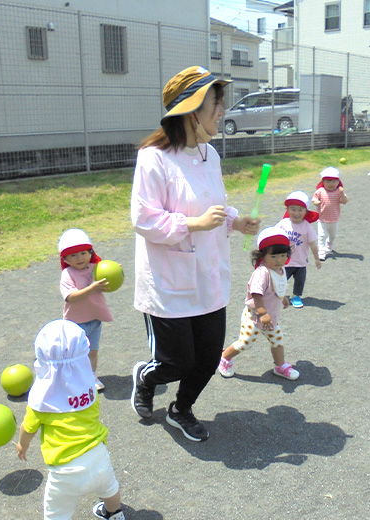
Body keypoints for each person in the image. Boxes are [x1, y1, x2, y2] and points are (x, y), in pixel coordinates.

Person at [129, 66, 260, 442]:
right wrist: (193, 225)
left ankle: (180, 409)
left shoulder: (210, 154)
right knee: (175, 362)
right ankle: (146, 377)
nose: (222, 111)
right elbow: (144, 219)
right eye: (216, 103)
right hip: (169, 282)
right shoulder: (153, 158)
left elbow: (212, 206)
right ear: (191, 109)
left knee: (206, 359)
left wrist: (235, 221)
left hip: (208, 274)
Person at [16, 319, 125, 520]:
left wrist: (22, 446)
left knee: (55, 513)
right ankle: (114, 513)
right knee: (110, 490)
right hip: (99, 456)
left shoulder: (43, 401)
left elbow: (28, 428)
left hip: (65, 471)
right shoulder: (89, 389)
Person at [218, 227, 299, 380]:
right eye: (274, 256)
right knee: (245, 343)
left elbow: (276, 288)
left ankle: (280, 365)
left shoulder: (280, 269)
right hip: (255, 317)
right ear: (262, 256)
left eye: (283, 255)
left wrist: (282, 297)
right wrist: (263, 313)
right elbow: (257, 294)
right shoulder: (262, 273)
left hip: (271, 318)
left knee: (277, 341)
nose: (279, 260)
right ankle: (224, 358)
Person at [58, 228, 113, 391]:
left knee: (92, 352)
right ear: (66, 259)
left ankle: (91, 376)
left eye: (83, 253)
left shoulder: (96, 268)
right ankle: (71, 378)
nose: (79, 258)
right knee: (74, 354)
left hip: (94, 319)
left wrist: (114, 272)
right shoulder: (68, 274)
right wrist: (92, 287)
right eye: (73, 255)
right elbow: (71, 297)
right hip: (75, 323)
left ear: (90, 252)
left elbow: (109, 277)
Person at [276, 191, 321, 308]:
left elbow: (313, 244)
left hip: (301, 261)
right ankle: (280, 296)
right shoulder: (283, 223)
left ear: (306, 211)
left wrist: (317, 258)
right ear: (287, 209)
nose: (296, 213)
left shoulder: (307, 226)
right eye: (293, 209)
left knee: (299, 281)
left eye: (300, 209)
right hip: (284, 262)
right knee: (281, 280)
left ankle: (296, 296)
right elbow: (273, 236)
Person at [312, 166, 349, 261]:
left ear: (338, 182)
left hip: (334, 219)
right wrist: (317, 202)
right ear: (323, 182)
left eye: (334, 181)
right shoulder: (320, 191)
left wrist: (342, 193)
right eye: (328, 181)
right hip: (322, 219)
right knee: (321, 236)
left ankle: (329, 244)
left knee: (332, 236)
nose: (331, 184)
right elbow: (314, 198)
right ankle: (321, 253)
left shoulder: (338, 192)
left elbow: (344, 201)